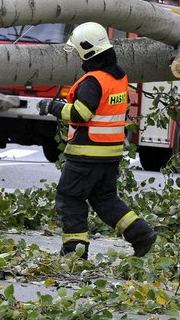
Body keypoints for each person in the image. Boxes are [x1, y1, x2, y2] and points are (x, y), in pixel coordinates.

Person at [38, 22, 156, 258]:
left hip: (87, 153)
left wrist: (52, 107)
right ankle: (141, 235)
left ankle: (75, 252)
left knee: (69, 198)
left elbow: (81, 114)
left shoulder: (93, 81)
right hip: (110, 153)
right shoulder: (118, 76)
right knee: (104, 199)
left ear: (86, 51)